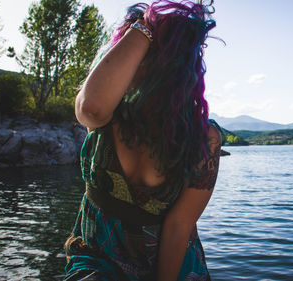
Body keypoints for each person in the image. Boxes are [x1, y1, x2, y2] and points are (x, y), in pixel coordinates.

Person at [63, 1, 223, 280]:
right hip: (97, 259)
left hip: (172, 266)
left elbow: (179, 225)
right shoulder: (107, 116)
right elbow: (91, 107)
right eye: (128, 44)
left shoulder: (203, 138)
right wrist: (145, 27)